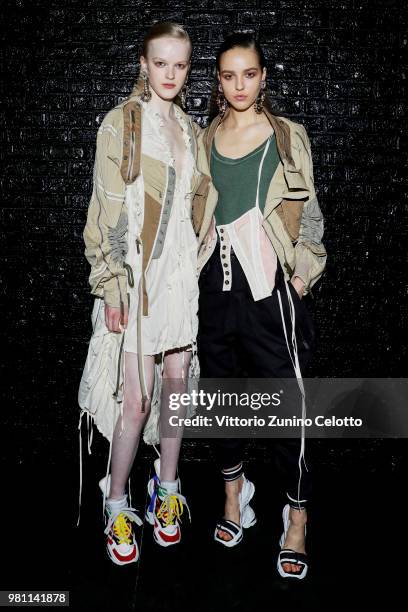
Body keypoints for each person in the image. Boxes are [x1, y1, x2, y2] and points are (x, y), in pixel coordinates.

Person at [77, 21, 210, 565]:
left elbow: (197, 209)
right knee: (136, 401)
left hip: (181, 280)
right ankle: (115, 503)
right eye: (161, 63)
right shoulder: (121, 125)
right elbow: (104, 210)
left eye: (180, 64)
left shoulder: (190, 128)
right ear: (143, 63)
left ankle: (168, 490)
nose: (171, 74)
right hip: (138, 281)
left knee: (176, 390)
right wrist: (110, 287)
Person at [195, 32, 327, 579]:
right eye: (229, 75)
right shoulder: (203, 139)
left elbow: (311, 213)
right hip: (214, 285)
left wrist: (301, 274)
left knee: (287, 405)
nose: (239, 84)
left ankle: (297, 516)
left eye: (248, 74)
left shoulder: (288, 136)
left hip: (271, 286)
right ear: (219, 81)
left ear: (263, 76)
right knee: (220, 397)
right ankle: (234, 496)